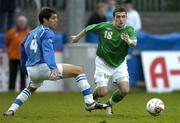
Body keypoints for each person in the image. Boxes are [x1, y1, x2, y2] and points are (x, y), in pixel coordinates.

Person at [3, 7, 107, 117]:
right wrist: (53, 68)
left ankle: (11, 109)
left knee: (29, 88)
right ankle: (89, 102)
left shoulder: (30, 33)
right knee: (78, 70)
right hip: (44, 67)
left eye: (56, 18)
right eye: (53, 18)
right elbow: (47, 51)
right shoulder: (48, 32)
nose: (56, 20)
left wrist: (25, 69)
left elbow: (22, 49)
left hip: (31, 70)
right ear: (45, 20)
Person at [72, 7, 137, 115]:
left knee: (125, 90)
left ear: (126, 17)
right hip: (103, 63)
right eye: (118, 17)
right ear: (113, 18)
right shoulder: (105, 26)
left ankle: (109, 105)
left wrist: (128, 40)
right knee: (103, 92)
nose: (121, 19)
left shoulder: (129, 30)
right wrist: (77, 38)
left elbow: (133, 43)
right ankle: (92, 98)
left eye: (123, 17)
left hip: (119, 63)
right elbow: (89, 28)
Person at [5, 15, 31, 91]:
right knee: (12, 74)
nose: (21, 23)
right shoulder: (11, 32)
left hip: (24, 57)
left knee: (23, 74)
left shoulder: (29, 32)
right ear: (17, 22)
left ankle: (22, 89)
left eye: (23, 22)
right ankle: (11, 89)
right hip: (13, 57)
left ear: (26, 22)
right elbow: (7, 42)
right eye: (20, 22)